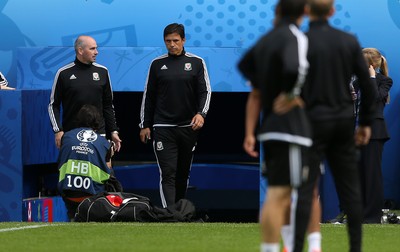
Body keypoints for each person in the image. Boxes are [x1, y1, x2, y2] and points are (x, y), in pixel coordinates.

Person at [297, 1, 377, 251]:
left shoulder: (301, 41)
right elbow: (367, 84)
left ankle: (299, 246)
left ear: (308, 11)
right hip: (342, 121)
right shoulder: (348, 40)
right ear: (332, 11)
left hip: (311, 121)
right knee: (349, 187)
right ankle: (355, 247)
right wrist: (364, 123)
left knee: (306, 186)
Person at [238, 1, 312, 251]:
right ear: (304, 12)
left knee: (283, 193)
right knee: (280, 194)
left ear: (277, 12)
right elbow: (294, 68)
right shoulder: (296, 37)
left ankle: (288, 247)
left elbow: (244, 67)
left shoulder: (266, 40)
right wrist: (290, 95)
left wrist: (250, 132)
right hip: (290, 127)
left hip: (270, 127)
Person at [139, 23, 211, 208]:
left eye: (175, 40)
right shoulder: (156, 64)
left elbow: (205, 92)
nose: (172, 44)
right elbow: (149, 96)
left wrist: (201, 114)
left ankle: (179, 210)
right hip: (163, 127)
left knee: (182, 173)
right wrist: (145, 124)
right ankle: (169, 213)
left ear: (183, 40)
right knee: (168, 172)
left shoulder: (196, 62)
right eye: (168, 41)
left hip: (188, 127)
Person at [48, 35, 121, 151]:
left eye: (96, 48)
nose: (96, 52)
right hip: (72, 134)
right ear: (80, 50)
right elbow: (53, 105)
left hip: (98, 133)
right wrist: (58, 130)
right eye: (92, 49)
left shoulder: (103, 71)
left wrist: (113, 131)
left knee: (104, 168)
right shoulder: (63, 73)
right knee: (73, 168)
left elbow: (108, 105)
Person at [57, 104, 119, 220]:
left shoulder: (66, 137)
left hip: (69, 195)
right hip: (92, 197)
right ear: (97, 122)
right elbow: (109, 174)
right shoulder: (104, 143)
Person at [355, 48, 393, 223]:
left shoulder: (384, 81)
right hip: (356, 131)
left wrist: (370, 77)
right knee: (359, 174)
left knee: (372, 173)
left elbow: (375, 98)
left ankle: (371, 216)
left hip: (375, 132)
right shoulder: (356, 82)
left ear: (370, 65)